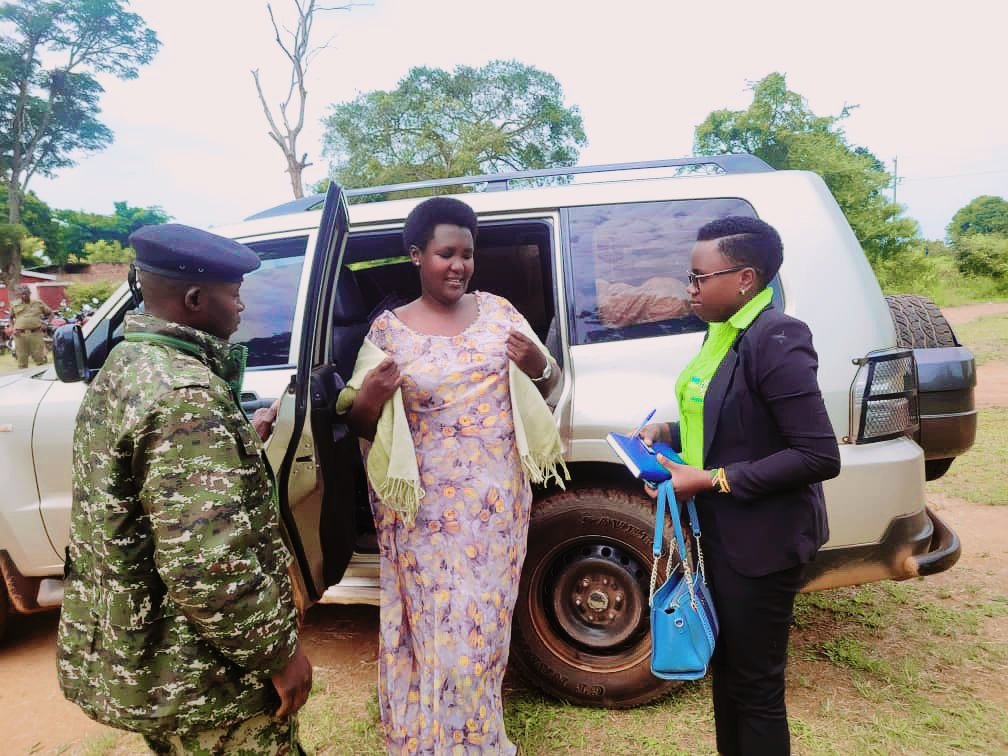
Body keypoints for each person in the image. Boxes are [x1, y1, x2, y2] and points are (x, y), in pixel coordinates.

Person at [57, 223, 311, 755]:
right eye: (234, 295)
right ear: (195, 300)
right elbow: (208, 566)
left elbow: (153, 498)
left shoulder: (128, 366)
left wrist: (240, 440)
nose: (241, 308)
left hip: (160, 665)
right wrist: (279, 657)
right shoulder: (186, 395)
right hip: (207, 679)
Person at [339, 196, 565, 755]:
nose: (459, 265)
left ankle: (476, 739)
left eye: (467, 254)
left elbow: (550, 384)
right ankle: (427, 740)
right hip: (421, 512)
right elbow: (360, 419)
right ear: (417, 256)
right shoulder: (388, 333)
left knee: (482, 629)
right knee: (434, 629)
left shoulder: (501, 312)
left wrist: (537, 364)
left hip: (495, 505)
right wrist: (370, 395)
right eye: (445, 254)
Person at [641, 216, 841, 756]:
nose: (690, 289)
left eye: (699, 277)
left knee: (754, 687)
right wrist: (666, 433)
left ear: (746, 278)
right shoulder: (724, 335)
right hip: (724, 538)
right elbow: (730, 415)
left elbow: (817, 454)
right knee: (727, 674)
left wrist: (711, 479)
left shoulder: (777, 337)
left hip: (764, 544)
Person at [10, 285, 52, 368]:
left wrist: (46, 323)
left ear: (30, 293)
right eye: (21, 294)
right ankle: (23, 379)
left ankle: (41, 377)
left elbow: (50, 313)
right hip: (20, 335)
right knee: (22, 359)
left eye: (25, 293)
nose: (24, 296)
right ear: (19, 295)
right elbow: (10, 318)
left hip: (35, 333)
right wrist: (13, 329)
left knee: (39, 357)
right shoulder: (15, 305)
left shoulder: (38, 303)